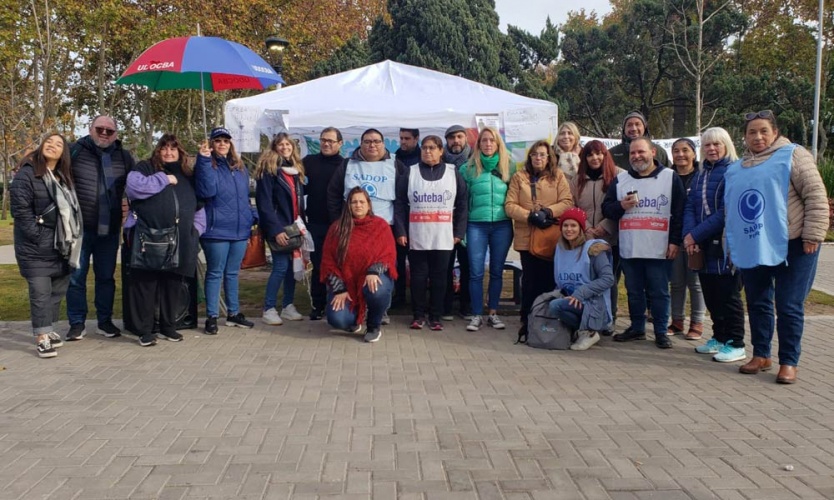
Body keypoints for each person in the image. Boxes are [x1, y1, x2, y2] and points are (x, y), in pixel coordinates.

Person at [725, 111, 827, 384]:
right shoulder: (737, 168)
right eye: (751, 132)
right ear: (744, 137)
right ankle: (761, 354)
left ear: (775, 132)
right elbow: (731, 211)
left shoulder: (793, 155)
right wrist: (731, 245)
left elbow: (815, 196)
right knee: (757, 302)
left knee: (788, 304)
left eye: (763, 131)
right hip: (754, 244)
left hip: (794, 244)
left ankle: (789, 361)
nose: (757, 137)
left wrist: (813, 236)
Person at [602, 137, 686, 349]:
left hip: (659, 247)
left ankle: (660, 331)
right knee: (634, 291)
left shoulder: (670, 177)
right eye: (632, 153)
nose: (637, 156)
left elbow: (680, 211)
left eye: (641, 152)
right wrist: (621, 205)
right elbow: (607, 209)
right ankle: (637, 328)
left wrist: (675, 241)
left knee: (659, 291)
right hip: (631, 247)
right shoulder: (621, 180)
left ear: (653, 153)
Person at [124, 134, 204, 347]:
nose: (168, 152)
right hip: (151, 237)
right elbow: (133, 187)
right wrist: (164, 179)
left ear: (180, 152)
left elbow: (199, 206)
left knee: (174, 283)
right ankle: (145, 330)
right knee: (146, 284)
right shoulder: (145, 167)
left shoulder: (188, 174)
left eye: (173, 149)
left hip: (182, 238)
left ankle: (169, 327)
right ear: (158, 150)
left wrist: (196, 229)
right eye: (164, 148)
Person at [11, 133, 82, 358]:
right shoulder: (27, 174)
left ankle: (48, 328)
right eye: (48, 142)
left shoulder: (63, 176)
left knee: (56, 291)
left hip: (61, 245)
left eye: (58, 144)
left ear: (63, 153)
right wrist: (40, 237)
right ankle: (42, 338)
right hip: (35, 248)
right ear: (41, 147)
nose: (52, 146)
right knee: (40, 293)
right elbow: (21, 213)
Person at [65, 115, 134, 341]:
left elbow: (136, 187)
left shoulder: (123, 157)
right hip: (79, 230)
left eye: (109, 131)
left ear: (116, 134)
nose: (104, 134)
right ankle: (77, 323)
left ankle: (105, 321)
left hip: (109, 230)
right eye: (100, 129)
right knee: (76, 277)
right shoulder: (73, 150)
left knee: (106, 277)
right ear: (90, 128)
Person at [327, 128, 408, 317]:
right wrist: (337, 223)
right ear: (361, 144)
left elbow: (403, 198)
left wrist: (401, 228)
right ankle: (353, 306)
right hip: (352, 228)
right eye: (368, 141)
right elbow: (333, 194)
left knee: (383, 270)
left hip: (385, 228)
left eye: (377, 141)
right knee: (353, 267)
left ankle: (381, 309)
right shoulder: (348, 164)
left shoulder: (395, 164)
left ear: (383, 144)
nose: (372, 145)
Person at [682, 127, 746, 362]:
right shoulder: (700, 173)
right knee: (710, 293)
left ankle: (737, 342)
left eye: (716, 144)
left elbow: (725, 212)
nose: (711, 149)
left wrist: (695, 235)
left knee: (728, 295)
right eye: (707, 145)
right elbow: (690, 206)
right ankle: (719, 337)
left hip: (724, 245)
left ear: (726, 145)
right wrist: (689, 235)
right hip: (702, 244)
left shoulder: (733, 171)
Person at [395, 135, 468, 330]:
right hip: (417, 234)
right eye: (425, 148)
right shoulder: (410, 173)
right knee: (418, 277)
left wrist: (459, 233)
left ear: (440, 150)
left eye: (432, 148)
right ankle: (418, 315)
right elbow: (400, 204)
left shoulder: (454, 173)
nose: (428, 151)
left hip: (444, 235)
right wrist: (401, 231)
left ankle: (436, 316)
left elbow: (462, 204)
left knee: (440, 277)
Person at [505, 140, 573, 341]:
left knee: (549, 280)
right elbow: (509, 205)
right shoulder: (519, 177)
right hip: (527, 238)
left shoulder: (558, 176)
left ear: (549, 157)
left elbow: (567, 201)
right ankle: (527, 319)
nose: (538, 158)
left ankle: (547, 315)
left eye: (542, 154)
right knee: (529, 281)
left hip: (550, 236)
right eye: (535, 154)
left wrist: (548, 212)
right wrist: (529, 215)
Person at [195, 127, 258, 335]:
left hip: (239, 229)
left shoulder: (239, 167)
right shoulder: (207, 165)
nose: (222, 144)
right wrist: (204, 161)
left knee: (232, 273)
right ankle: (212, 316)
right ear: (212, 144)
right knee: (215, 273)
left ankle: (233, 313)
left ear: (231, 144)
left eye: (226, 140)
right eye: (218, 140)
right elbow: (207, 191)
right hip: (216, 230)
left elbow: (245, 197)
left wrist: (251, 216)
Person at [320, 187, 397, 343]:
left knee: (376, 289)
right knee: (338, 320)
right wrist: (339, 288)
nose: (358, 205)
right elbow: (328, 261)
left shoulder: (380, 226)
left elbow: (388, 255)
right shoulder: (337, 228)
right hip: (346, 283)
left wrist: (374, 271)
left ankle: (373, 325)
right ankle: (354, 319)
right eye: (354, 202)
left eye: (362, 201)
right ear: (348, 205)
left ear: (368, 204)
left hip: (372, 277)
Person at [459, 127, 513, 332]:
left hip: (502, 224)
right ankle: (476, 315)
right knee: (475, 272)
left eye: (492, 140)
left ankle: (493, 313)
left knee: (497, 271)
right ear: (478, 144)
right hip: (476, 225)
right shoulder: (468, 168)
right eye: (484, 141)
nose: (488, 144)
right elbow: (462, 202)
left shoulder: (510, 167)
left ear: (498, 143)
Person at [570, 140, 623, 334]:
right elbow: (573, 207)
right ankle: (590, 316)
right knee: (589, 279)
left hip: (610, 238)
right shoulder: (577, 180)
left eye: (599, 154)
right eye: (590, 155)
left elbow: (622, 207)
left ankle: (610, 318)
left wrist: (604, 227)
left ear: (605, 155)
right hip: (585, 238)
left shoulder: (619, 175)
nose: (595, 158)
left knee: (609, 280)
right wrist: (586, 228)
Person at [255, 133, 306, 326]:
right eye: (280, 145)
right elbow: (264, 203)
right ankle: (268, 308)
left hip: (295, 227)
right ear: (274, 148)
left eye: (288, 144)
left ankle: (288, 306)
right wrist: (276, 230)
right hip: (279, 227)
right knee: (280, 267)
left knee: (293, 269)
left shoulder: (295, 171)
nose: (285, 147)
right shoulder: (269, 170)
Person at [548, 208, 615, 350]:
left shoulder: (594, 249)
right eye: (565, 226)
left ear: (581, 228)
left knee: (556, 306)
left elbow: (608, 279)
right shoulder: (560, 249)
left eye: (573, 226)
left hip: (593, 303)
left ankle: (589, 332)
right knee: (550, 304)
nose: (569, 229)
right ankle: (576, 330)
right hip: (572, 299)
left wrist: (581, 293)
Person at [303, 127, 344, 320]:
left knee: (338, 266)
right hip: (316, 224)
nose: (326, 144)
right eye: (323, 140)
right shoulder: (309, 162)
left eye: (330, 140)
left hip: (339, 225)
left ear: (340, 144)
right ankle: (318, 305)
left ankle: (337, 303)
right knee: (318, 266)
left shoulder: (346, 165)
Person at [668, 138, 705, 339]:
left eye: (685, 150)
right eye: (676, 151)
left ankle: (697, 322)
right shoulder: (668, 177)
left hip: (695, 237)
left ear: (693, 153)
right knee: (676, 282)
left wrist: (697, 235)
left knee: (696, 283)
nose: (680, 154)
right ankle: (677, 321)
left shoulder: (701, 176)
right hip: (674, 237)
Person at [442, 125, 473, 321]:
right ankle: (445, 307)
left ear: (465, 139)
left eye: (459, 136)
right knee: (444, 266)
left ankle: (466, 307)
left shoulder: (474, 161)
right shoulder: (440, 160)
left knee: (468, 265)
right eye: (451, 137)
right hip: (443, 222)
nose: (456, 141)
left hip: (470, 221)